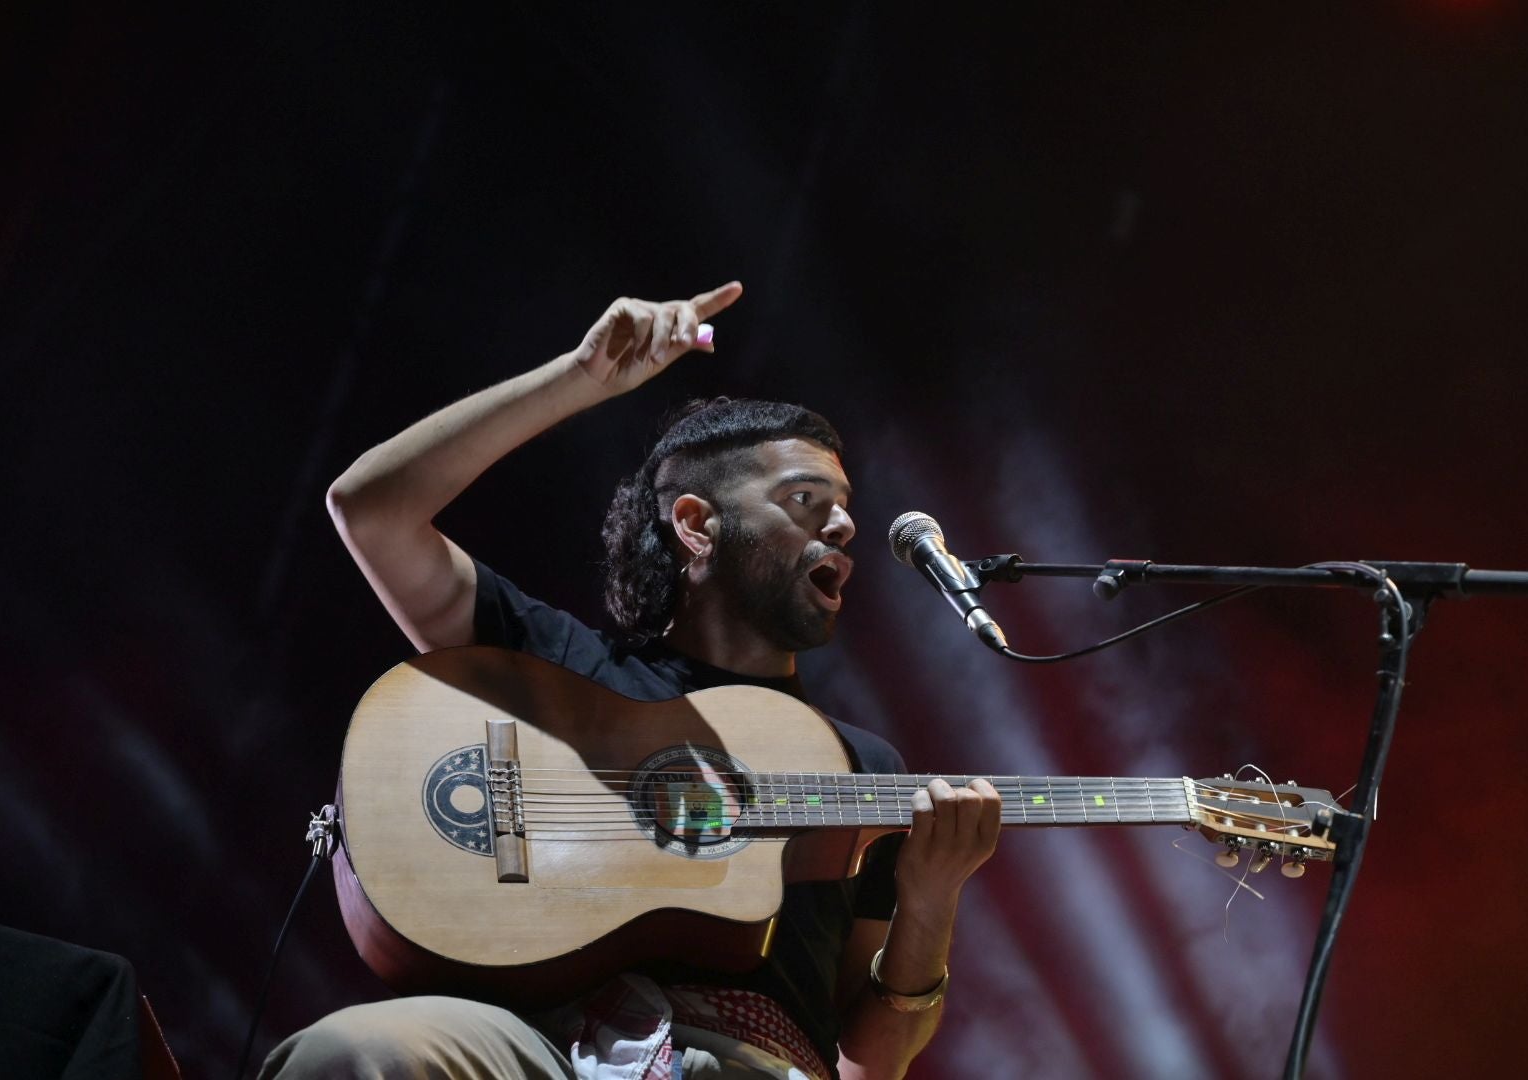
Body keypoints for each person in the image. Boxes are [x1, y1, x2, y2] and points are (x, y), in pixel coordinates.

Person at [264, 282, 1001, 1079]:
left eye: (843, 506)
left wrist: (931, 901)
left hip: (748, 1059)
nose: (844, 524)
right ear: (695, 524)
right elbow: (370, 511)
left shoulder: (864, 769)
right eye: (803, 499)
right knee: (347, 1054)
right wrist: (580, 377)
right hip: (539, 1043)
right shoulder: (564, 674)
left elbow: (870, 1065)